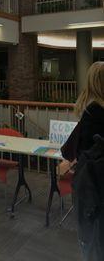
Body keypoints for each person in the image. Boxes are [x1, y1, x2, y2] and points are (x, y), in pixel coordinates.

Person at [61, 62, 104, 261]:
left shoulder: (91, 112)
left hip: (93, 188)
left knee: (92, 241)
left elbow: (85, 152)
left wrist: (71, 163)